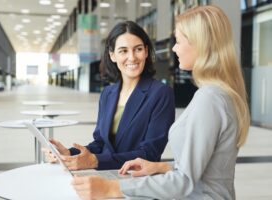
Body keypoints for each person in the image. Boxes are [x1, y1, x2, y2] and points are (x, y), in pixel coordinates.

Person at [71, 5, 250, 200]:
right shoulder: (217, 94)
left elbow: (183, 182)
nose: (174, 48)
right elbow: (206, 169)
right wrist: (162, 167)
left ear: (200, 44)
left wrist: (112, 188)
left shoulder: (209, 98)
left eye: (178, 41)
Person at [46, 21, 175, 170]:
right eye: (123, 51)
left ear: (146, 51)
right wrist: (70, 153)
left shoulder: (160, 93)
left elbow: (150, 153)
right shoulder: (108, 93)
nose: (132, 57)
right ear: (112, 55)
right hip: (105, 174)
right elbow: (100, 143)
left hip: (137, 180)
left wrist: (96, 161)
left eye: (138, 49)